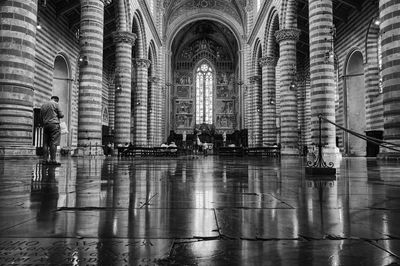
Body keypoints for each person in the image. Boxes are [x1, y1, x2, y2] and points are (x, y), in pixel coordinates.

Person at [40, 96, 64, 166]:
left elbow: (41, 117)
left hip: (46, 125)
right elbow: (61, 115)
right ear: (57, 100)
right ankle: (53, 160)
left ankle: (45, 160)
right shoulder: (56, 104)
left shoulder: (43, 105)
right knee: (53, 142)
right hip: (54, 125)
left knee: (45, 143)